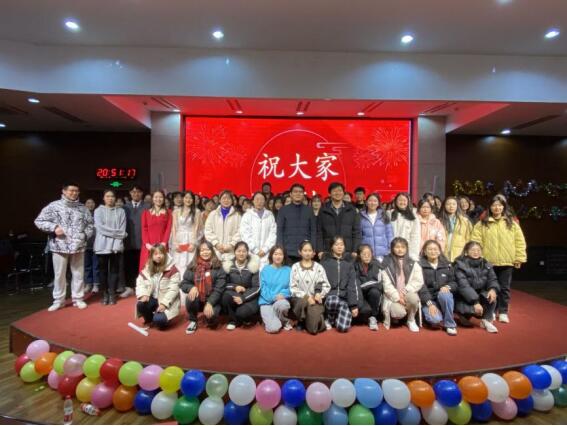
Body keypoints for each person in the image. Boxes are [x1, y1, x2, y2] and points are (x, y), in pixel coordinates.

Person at [34, 182, 94, 311]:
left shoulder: (83, 208)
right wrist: (54, 227)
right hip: (59, 245)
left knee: (78, 274)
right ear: (64, 191)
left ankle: (78, 298)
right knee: (59, 274)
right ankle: (58, 301)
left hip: (78, 245)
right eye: (71, 190)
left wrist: (84, 235)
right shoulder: (54, 206)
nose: (74, 193)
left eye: (76, 191)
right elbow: (39, 221)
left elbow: (90, 225)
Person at [471, 194, 527, 323]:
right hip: (488, 262)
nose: (497, 208)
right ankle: (490, 311)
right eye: (494, 205)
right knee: (488, 288)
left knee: (504, 288)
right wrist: (478, 258)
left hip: (507, 261)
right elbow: (475, 241)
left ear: (504, 207)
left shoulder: (511, 223)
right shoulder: (482, 223)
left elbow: (520, 241)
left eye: (500, 205)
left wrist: (519, 258)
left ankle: (503, 312)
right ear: (490, 207)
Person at [180, 240, 226, 334]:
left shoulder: (218, 266)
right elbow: (184, 283)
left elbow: (219, 289)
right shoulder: (193, 266)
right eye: (202, 250)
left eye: (208, 250)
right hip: (198, 299)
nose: (205, 252)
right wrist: (191, 287)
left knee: (212, 322)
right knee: (191, 297)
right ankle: (193, 320)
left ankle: (210, 316)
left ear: (212, 251)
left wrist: (210, 303)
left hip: (213, 300)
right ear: (198, 252)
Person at [454, 241, 500, 333]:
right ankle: (463, 315)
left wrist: (493, 289)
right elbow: (463, 286)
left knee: (492, 297)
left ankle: (486, 320)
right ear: (466, 251)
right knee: (469, 310)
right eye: (473, 250)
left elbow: (493, 279)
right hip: (464, 296)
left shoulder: (486, 264)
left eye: (478, 250)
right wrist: (475, 302)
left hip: (480, 294)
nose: (476, 252)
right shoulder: (459, 265)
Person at [381, 237, 424, 332]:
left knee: (414, 299)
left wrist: (405, 291)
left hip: (407, 292)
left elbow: (418, 281)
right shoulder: (386, 263)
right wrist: (397, 297)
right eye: (397, 247)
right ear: (392, 248)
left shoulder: (413, 262)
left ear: (406, 248)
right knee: (398, 313)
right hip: (393, 296)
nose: (400, 249)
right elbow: (386, 285)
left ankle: (411, 319)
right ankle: (398, 315)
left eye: (403, 247)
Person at [135, 244, 180, 329]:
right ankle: (149, 319)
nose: (158, 256)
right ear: (152, 256)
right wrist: (143, 294)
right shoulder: (147, 268)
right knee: (140, 304)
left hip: (166, 301)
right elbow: (140, 282)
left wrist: (164, 304)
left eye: (161, 253)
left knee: (159, 321)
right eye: (155, 254)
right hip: (153, 298)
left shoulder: (173, 269)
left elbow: (174, 290)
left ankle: (162, 317)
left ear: (165, 254)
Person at [93, 190, 127, 305]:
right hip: (101, 245)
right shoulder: (98, 211)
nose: (110, 198)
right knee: (102, 271)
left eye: (112, 196)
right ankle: (104, 293)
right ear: (103, 198)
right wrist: (119, 234)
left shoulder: (121, 211)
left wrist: (119, 236)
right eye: (107, 196)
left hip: (116, 245)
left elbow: (122, 229)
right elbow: (101, 229)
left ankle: (112, 293)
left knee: (114, 270)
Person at [290, 240, 331, 335]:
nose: (307, 253)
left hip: (315, 300)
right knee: (303, 302)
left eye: (310, 250)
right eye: (305, 250)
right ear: (300, 252)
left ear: (313, 252)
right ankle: (301, 321)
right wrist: (307, 297)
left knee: (314, 329)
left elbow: (326, 285)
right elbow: (293, 288)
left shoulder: (319, 267)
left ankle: (308, 320)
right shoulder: (295, 267)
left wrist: (319, 294)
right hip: (300, 299)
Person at [320, 236, 359, 333]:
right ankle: (329, 318)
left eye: (342, 244)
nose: (339, 247)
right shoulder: (325, 263)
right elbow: (320, 282)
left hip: (343, 299)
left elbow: (352, 286)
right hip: (330, 298)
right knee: (333, 300)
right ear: (331, 247)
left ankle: (336, 318)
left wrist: (353, 305)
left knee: (343, 328)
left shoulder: (349, 265)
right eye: (336, 244)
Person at [418, 240, 458, 336]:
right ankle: (433, 315)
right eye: (430, 249)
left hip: (443, 298)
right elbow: (420, 286)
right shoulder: (419, 265)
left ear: (439, 251)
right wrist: (430, 304)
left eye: (435, 249)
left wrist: (447, 287)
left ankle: (450, 324)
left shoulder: (447, 265)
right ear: (425, 252)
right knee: (435, 320)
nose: (433, 252)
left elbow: (454, 282)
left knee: (445, 294)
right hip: (428, 300)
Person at [221, 241, 261, 330]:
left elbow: (257, 288)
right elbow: (223, 284)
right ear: (234, 252)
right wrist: (235, 287)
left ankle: (244, 317)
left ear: (247, 253)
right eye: (239, 251)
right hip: (235, 294)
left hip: (250, 297)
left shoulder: (253, 266)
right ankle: (232, 321)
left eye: (244, 251)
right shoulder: (228, 266)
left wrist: (243, 298)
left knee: (242, 313)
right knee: (225, 297)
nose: (241, 253)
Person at [317, 182, 361, 260]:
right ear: (329, 194)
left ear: (343, 193)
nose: (337, 193)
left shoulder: (352, 210)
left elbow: (356, 232)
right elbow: (319, 232)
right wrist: (320, 250)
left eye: (340, 190)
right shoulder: (323, 210)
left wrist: (355, 250)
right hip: (328, 250)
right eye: (334, 191)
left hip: (347, 251)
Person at [277, 184, 317, 264]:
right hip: (288, 252)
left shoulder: (309, 210)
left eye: (300, 192)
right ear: (291, 194)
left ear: (303, 194)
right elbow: (280, 231)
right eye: (295, 192)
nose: (298, 194)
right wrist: (280, 248)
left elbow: (313, 231)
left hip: (305, 251)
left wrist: (313, 248)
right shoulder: (283, 210)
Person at [122, 185, 149, 298]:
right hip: (128, 241)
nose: (136, 194)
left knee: (143, 266)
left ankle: (141, 288)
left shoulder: (148, 207)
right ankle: (129, 287)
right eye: (133, 192)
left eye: (138, 192)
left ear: (142, 193)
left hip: (143, 242)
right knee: (128, 266)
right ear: (130, 193)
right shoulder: (124, 207)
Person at [259, 245, 293, 333]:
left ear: (284, 256)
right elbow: (263, 288)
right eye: (275, 254)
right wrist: (274, 297)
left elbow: (291, 287)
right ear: (271, 255)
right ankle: (282, 321)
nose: (278, 256)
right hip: (266, 302)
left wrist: (283, 295)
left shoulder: (289, 270)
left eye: (280, 254)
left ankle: (275, 319)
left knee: (284, 305)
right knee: (273, 328)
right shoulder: (265, 270)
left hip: (280, 301)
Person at [240, 192, 277, 270]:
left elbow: (273, 234)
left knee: (265, 273)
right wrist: (255, 250)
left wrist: (265, 249)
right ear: (253, 201)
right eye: (257, 199)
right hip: (251, 252)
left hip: (266, 253)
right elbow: (245, 234)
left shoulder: (270, 215)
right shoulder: (247, 215)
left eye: (262, 199)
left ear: (265, 201)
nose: (259, 201)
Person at [171, 191, 203, 277]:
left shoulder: (197, 211)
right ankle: (178, 282)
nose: (188, 200)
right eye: (186, 198)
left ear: (193, 200)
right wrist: (175, 243)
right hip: (179, 239)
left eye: (190, 198)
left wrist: (194, 243)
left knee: (190, 262)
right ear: (183, 199)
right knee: (178, 261)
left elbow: (198, 229)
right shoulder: (176, 211)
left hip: (191, 239)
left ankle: (188, 282)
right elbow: (174, 228)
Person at [204, 190, 241, 262]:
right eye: (224, 198)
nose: (226, 200)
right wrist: (216, 244)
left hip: (231, 251)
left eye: (228, 198)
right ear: (219, 200)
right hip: (215, 251)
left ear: (232, 200)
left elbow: (240, 232)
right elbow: (208, 230)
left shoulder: (237, 215)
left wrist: (232, 245)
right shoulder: (213, 214)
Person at [139, 190, 172, 271]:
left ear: (164, 199)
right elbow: (144, 229)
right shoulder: (145, 213)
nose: (158, 199)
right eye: (156, 197)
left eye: (161, 197)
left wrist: (164, 243)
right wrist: (147, 244)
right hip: (148, 245)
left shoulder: (169, 213)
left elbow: (168, 229)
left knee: (162, 268)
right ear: (152, 199)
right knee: (147, 268)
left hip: (162, 244)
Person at [354, 244, 383, 331]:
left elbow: (379, 283)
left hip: (372, 294)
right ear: (359, 255)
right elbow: (355, 284)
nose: (367, 256)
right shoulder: (354, 266)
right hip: (360, 295)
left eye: (369, 254)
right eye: (364, 254)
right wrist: (368, 285)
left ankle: (373, 317)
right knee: (364, 311)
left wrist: (364, 285)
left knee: (375, 291)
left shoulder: (377, 264)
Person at [359, 193, 394, 261]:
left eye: (375, 201)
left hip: (382, 253)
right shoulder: (361, 217)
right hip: (366, 253)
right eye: (370, 200)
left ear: (378, 203)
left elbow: (389, 234)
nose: (372, 203)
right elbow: (359, 235)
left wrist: (390, 249)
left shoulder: (384, 215)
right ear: (366, 202)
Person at [387, 193, 421, 261]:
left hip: (407, 250)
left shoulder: (413, 216)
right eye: (400, 200)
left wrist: (413, 254)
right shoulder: (389, 214)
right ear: (395, 201)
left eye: (404, 200)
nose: (402, 202)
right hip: (392, 250)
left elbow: (415, 236)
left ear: (408, 202)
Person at [439, 196, 473, 262]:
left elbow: (469, 238)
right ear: (444, 206)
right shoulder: (439, 221)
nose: (451, 206)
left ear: (457, 206)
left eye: (454, 204)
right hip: (443, 252)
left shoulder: (465, 221)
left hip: (459, 253)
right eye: (448, 204)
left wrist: (467, 252)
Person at [84, 198, 100, 294]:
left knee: (96, 265)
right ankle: (88, 284)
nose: (90, 204)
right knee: (87, 266)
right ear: (85, 205)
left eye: (92, 202)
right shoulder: (83, 215)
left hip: (96, 244)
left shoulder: (97, 214)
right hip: (85, 244)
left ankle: (96, 284)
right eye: (88, 203)